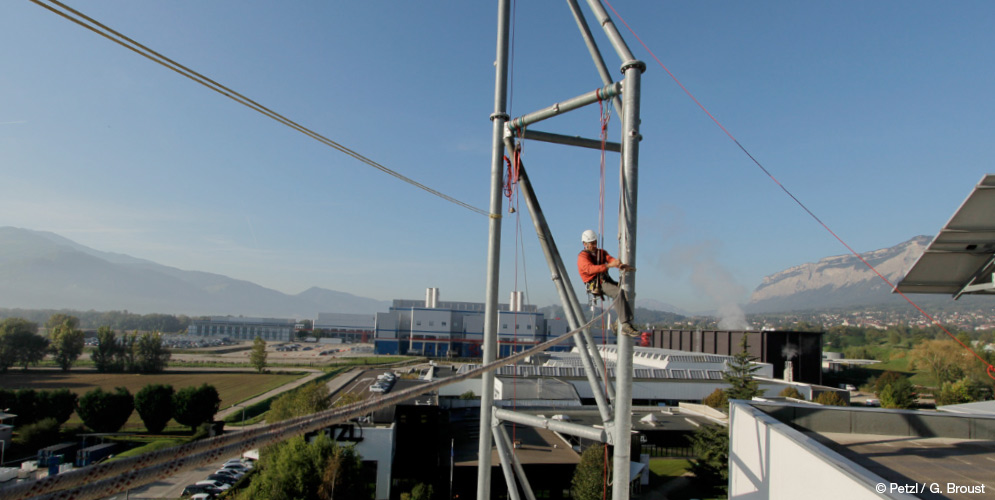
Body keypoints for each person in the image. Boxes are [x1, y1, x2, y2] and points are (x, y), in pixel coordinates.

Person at [577, 229, 638, 337]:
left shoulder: (600, 253)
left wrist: (620, 265)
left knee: (629, 294)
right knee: (618, 293)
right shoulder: (583, 257)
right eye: (591, 243)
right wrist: (608, 265)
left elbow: (609, 259)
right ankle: (625, 325)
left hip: (605, 280)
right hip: (596, 284)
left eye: (595, 242)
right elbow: (590, 269)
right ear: (585, 244)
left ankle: (617, 324)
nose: (594, 245)